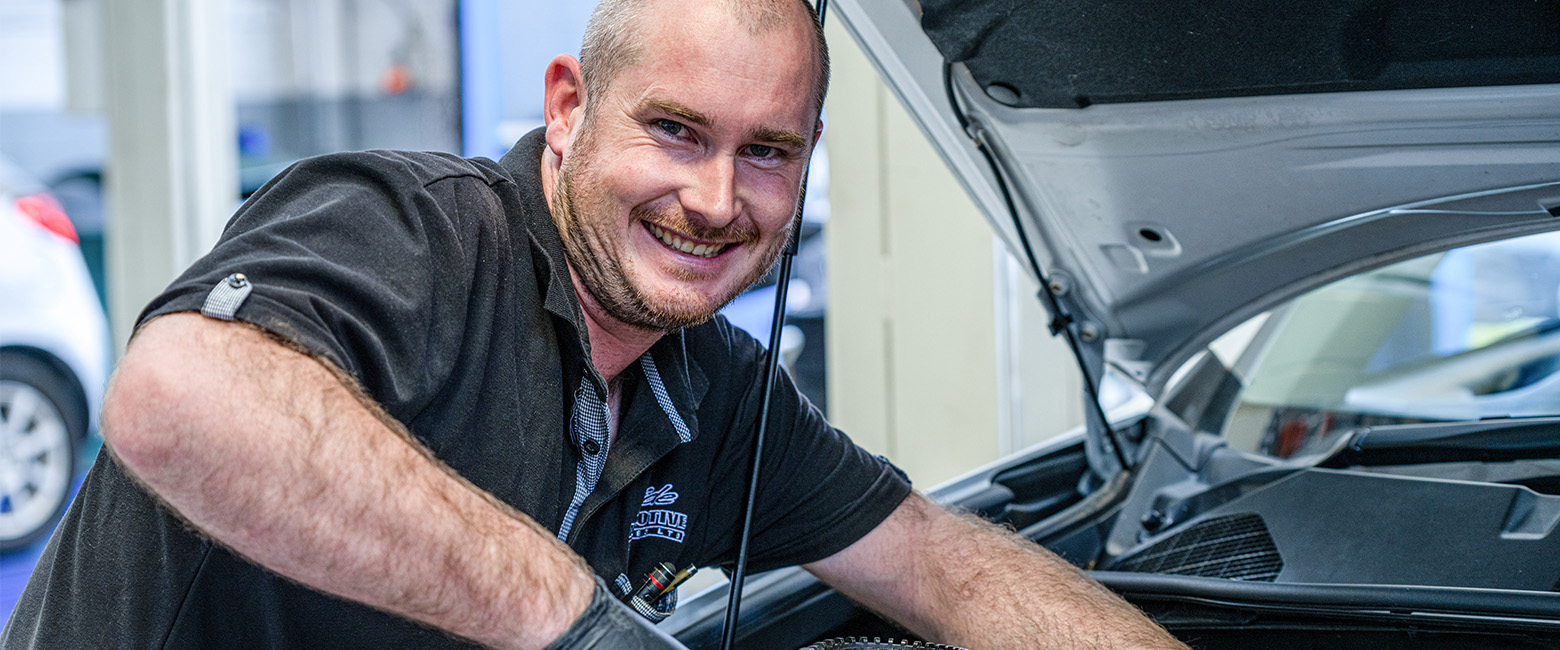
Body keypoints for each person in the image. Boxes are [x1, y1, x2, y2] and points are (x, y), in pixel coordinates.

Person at [2, 1, 1188, 649]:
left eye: (765, 153)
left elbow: (939, 558)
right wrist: (577, 622)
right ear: (569, 108)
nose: (717, 199)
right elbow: (173, 400)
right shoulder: (414, 232)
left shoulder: (713, 391)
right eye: (677, 130)